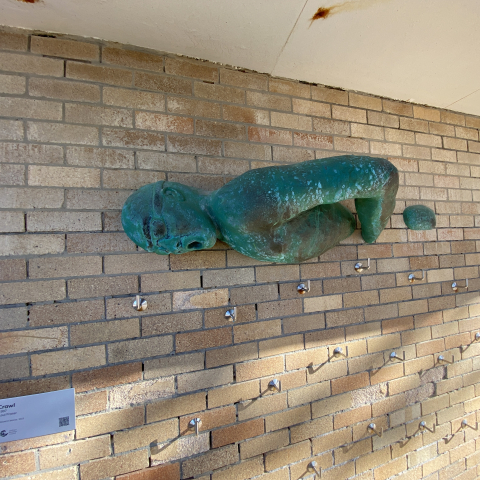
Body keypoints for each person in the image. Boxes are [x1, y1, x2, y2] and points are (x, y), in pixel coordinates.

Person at [122, 155, 399, 263]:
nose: (174, 246)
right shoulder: (230, 228)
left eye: (159, 229)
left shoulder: (240, 204)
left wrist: (373, 227)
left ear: (173, 194)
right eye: (162, 247)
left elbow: (379, 174)